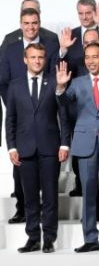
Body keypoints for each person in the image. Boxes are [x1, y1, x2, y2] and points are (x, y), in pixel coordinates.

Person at [55, 43, 99, 253]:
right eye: (87, 57)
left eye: (95, 57)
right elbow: (63, 103)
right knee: (87, 192)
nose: (91, 61)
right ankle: (90, 239)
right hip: (85, 143)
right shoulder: (77, 83)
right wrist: (60, 87)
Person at [5, 43, 70, 253]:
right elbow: (10, 119)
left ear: (45, 59)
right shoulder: (15, 86)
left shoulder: (55, 82)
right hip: (24, 149)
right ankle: (33, 238)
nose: (37, 61)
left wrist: (65, 143)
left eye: (40, 57)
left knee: (50, 196)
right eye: (33, 57)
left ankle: (49, 238)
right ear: (25, 59)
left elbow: (64, 115)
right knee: (30, 197)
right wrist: (11, 147)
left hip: (50, 148)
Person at [0, 7, 59, 224]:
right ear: (20, 24)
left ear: (39, 23)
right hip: (21, 113)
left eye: (34, 23)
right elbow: (3, 81)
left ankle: (46, 224)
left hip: (45, 112)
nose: (31, 27)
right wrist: (16, 105)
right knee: (21, 170)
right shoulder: (10, 48)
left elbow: (56, 78)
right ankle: (22, 210)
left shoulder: (51, 45)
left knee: (47, 180)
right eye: (26, 23)